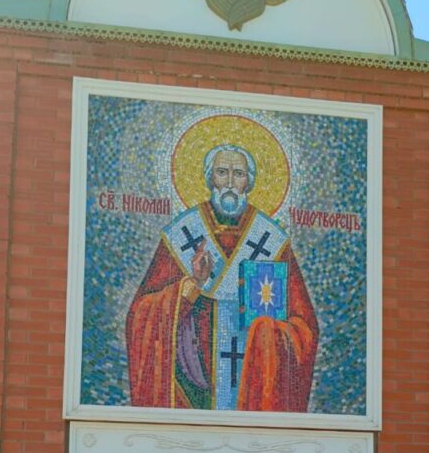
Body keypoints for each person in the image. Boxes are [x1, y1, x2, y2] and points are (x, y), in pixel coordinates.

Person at [126, 144, 318, 411]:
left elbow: (304, 326)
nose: (229, 182)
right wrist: (191, 286)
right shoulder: (183, 234)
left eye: (238, 173)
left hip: (252, 394)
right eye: (222, 172)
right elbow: (140, 315)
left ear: (249, 182)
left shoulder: (272, 242)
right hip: (196, 393)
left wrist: (269, 335)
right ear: (209, 179)